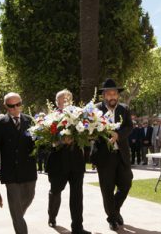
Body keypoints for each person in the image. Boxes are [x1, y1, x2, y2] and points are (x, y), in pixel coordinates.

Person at [0, 92, 37, 234]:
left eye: (18, 104)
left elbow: (37, 144)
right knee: (15, 205)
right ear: (6, 106)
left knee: (29, 197)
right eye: (11, 106)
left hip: (28, 168)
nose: (15, 108)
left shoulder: (30, 121)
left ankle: (16, 216)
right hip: (10, 171)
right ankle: (19, 224)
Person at [90, 79, 133, 231]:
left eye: (115, 93)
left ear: (118, 96)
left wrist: (118, 135)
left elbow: (129, 127)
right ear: (104, 96)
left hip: (122, 155)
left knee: (126, 183)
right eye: (109, 94)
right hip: (104, 156)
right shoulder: (95, 110)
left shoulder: (124, 109)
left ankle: (114, 210)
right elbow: (91, 130)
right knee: (107, 189)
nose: (112, 96)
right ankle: (112, 218)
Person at [46, 89, 90, 234]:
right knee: (55, 191)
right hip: (58, 163)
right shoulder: (51, 117)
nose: (66, 102)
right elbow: (46, 139)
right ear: (57, 102)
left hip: (76, 161)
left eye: (68, 99)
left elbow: (87, 132)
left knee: (77, 195)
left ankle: (77, 227)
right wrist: (60, 139)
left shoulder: (79, 115)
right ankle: (52, 216)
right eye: (63, 99)